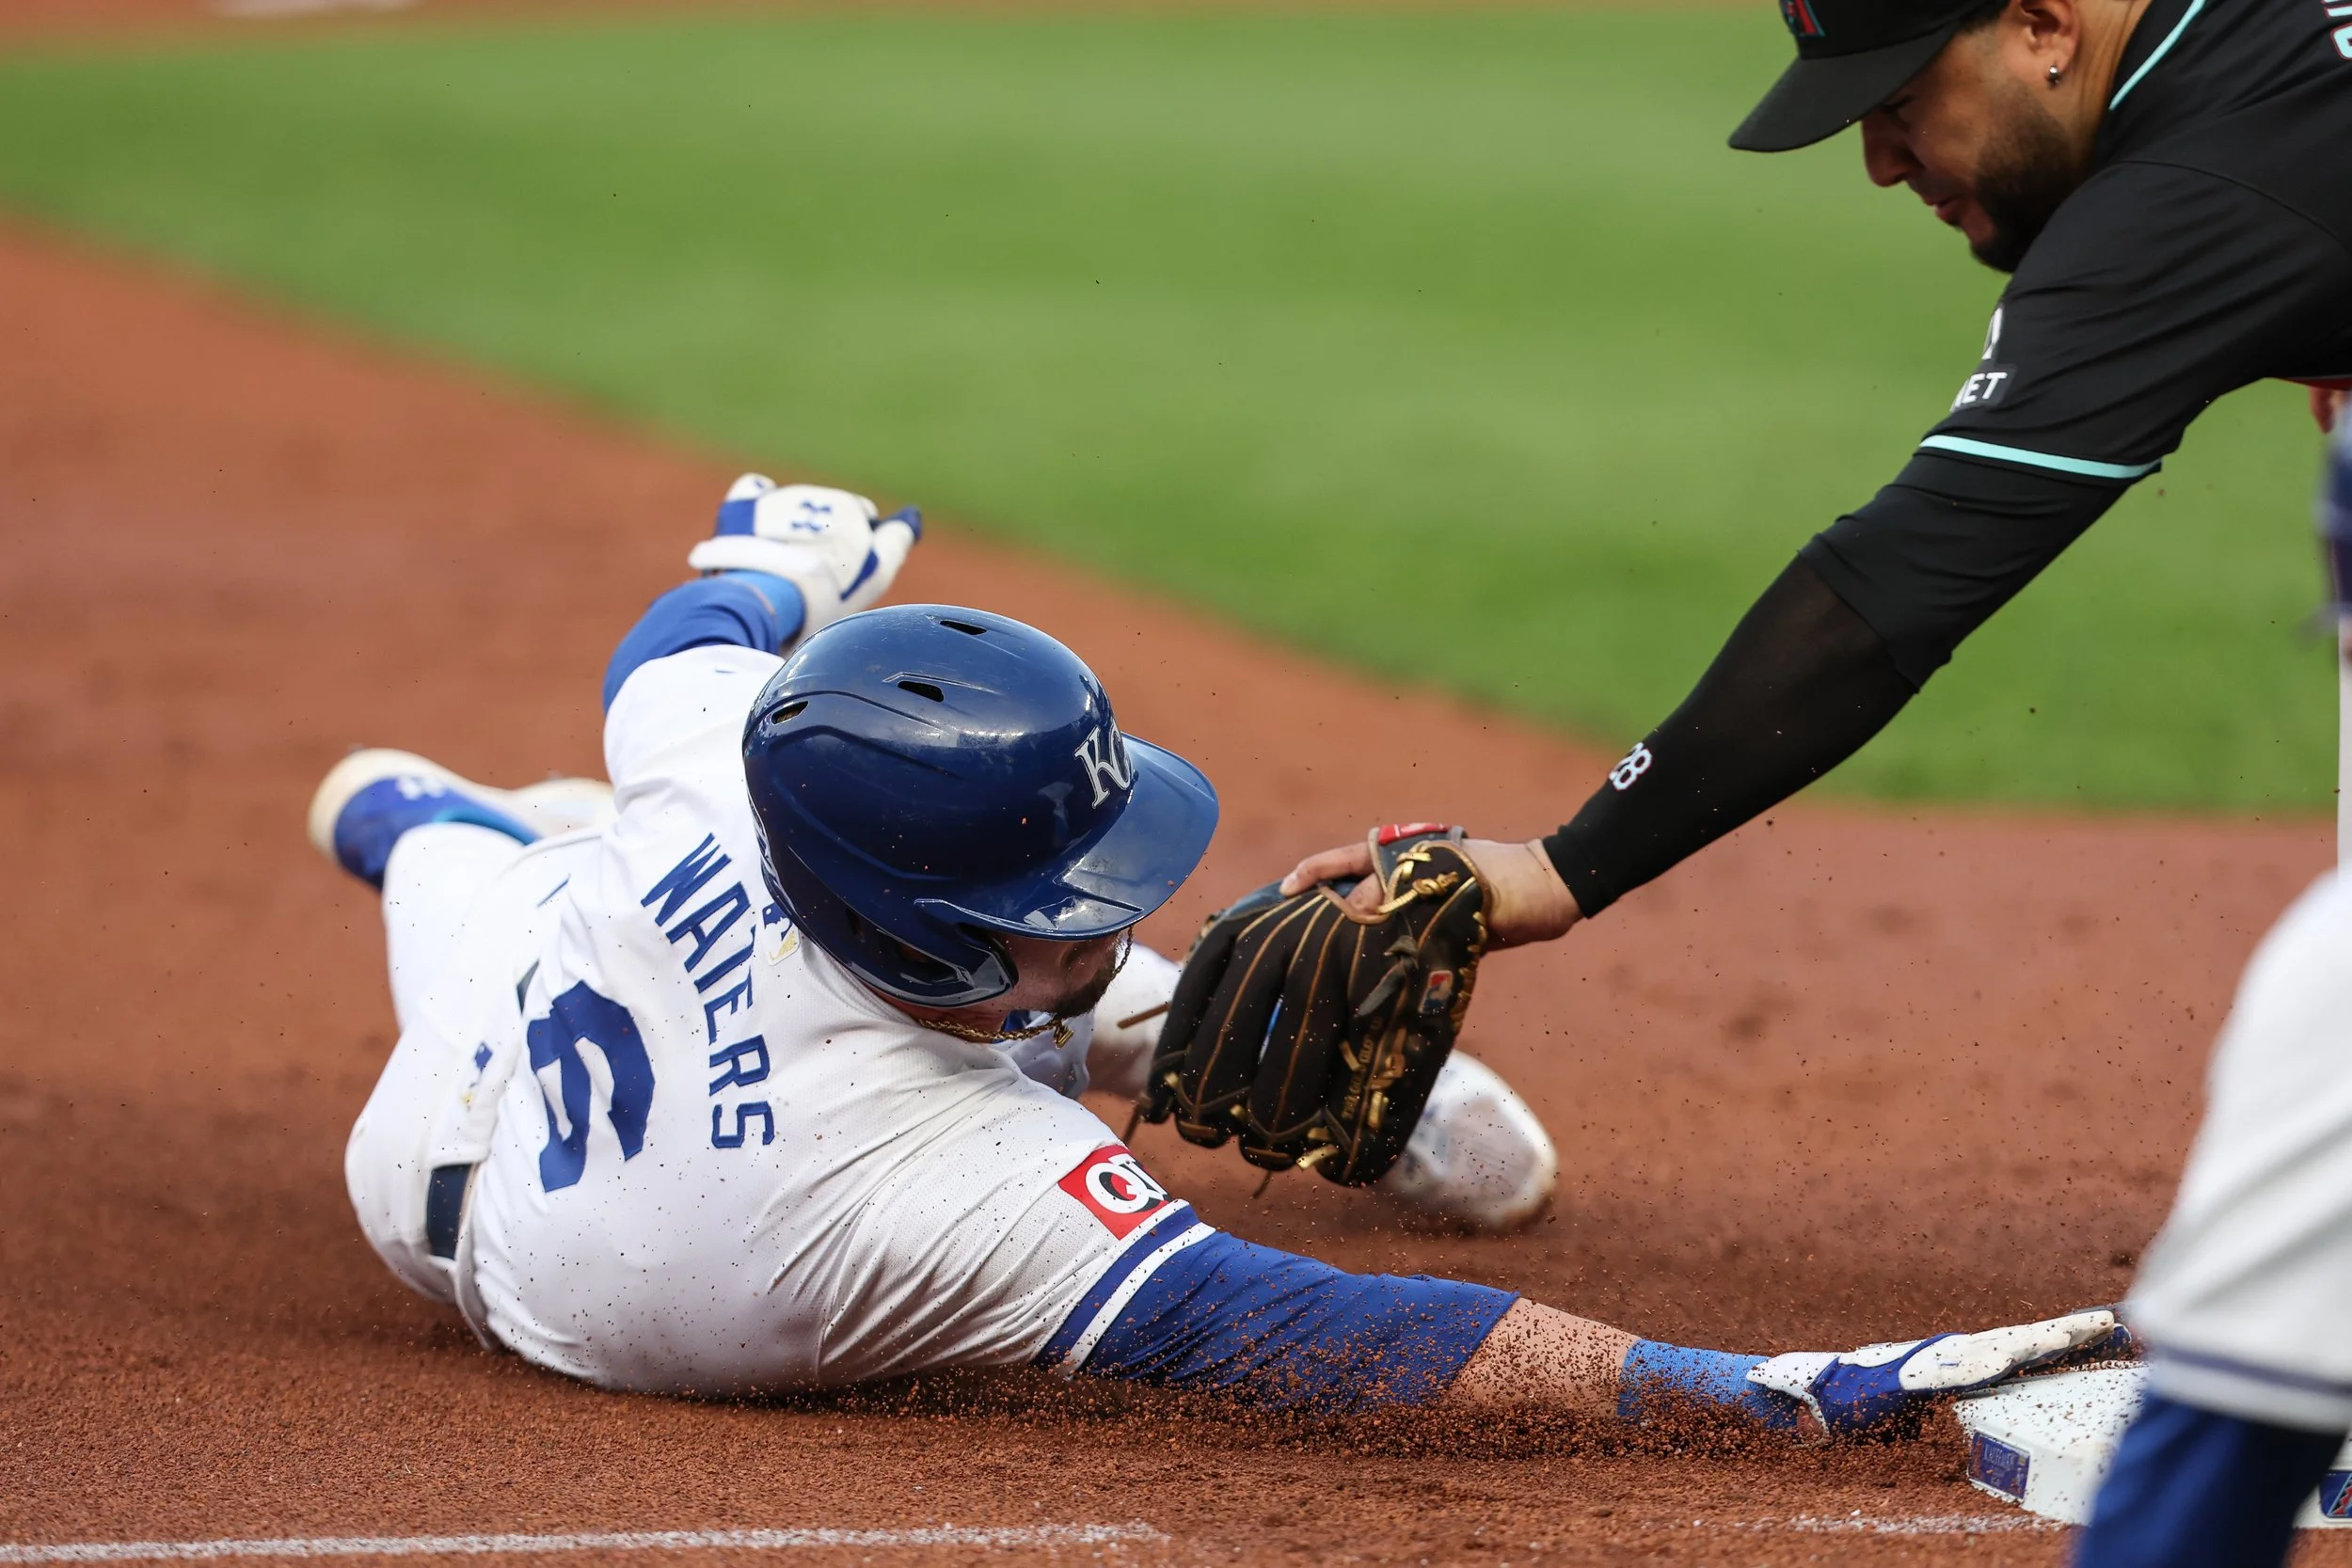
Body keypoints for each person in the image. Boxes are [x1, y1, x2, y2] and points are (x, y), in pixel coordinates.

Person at [308, 476, 2116, 1426]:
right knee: (450, 878)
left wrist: (778, 554)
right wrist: (1750, 1394)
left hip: (588, 950)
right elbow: (1322, 1330)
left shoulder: (741, 769)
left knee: (508, 867)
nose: (1105, 903)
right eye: (1054, 901)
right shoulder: (927, 1190)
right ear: (917, 937)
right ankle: (420, 818)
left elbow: (681, 646)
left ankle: (428, 823)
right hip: (455, 1176)